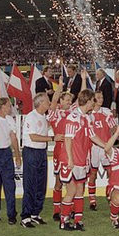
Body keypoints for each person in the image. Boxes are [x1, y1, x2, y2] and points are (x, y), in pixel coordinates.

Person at [59, 89, 107, 231]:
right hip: (72, 160)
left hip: (82, 160)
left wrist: (106, 146)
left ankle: (78, 221)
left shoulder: (86, 118)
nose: (95, 102)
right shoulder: (73, 117)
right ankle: (64, 221)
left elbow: (93, 136)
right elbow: (68, 139)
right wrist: (70, 159)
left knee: (80, 191)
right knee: (72, 191)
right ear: (88, 101)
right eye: (93, 100)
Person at [21, 92, 59, 228]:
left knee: (41, 184)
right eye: (47, 101)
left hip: (41, 151)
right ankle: (25, 216)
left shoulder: (43, 116)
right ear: (41, 103)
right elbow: (33, 137)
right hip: (31, 151)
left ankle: (35, 213)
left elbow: (53, 109)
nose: (49, 103)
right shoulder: (31, 117)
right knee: (30, 184)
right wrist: (53, 138)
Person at [0, 97, 22, 224]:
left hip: (6, 154)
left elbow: (13, 138)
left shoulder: (10, 120)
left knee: (10, 185)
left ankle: (11, 214)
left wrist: (17, 155)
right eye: (9, 105)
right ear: (2, 106)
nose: (10, 108)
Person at [88, 90, 117, 210]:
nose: (101, 99)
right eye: (99, 98)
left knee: (111, 172)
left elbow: (113, 127)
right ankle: (92, 199)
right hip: (94, 148)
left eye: (102, 97)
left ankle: (110, 195)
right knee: (93, 173)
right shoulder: (88, 114)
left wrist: (115, 132)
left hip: (106, 147)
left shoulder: (106, 112)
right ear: (93, 99)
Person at [46, 76, 70, 221]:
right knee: (59, 181)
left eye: (69, 100)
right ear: (61, 101)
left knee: (72, 182)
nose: (69, 102)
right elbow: (53, 101)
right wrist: (59, 87)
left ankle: (70, 208)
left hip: (73, 151)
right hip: (59, 150)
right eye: (66, 99)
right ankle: (56, 209)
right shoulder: (55, 114)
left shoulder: (74, 113)